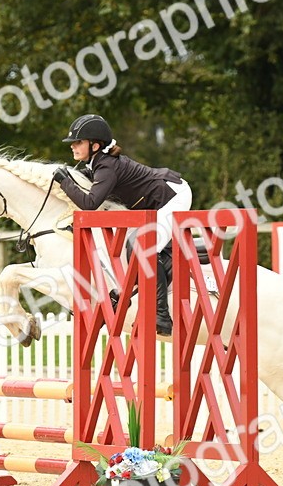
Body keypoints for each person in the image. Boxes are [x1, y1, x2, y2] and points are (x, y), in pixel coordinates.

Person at [51, 114, 192, 336]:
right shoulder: (97, 164)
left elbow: (89, 204)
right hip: (154, 204)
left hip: (174, 197)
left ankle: (162, 315)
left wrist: (64, 182)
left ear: (95, 145)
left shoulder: (106, 167)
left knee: (141, 245)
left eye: (78, 142)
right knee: (127, 246)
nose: (73, 147)